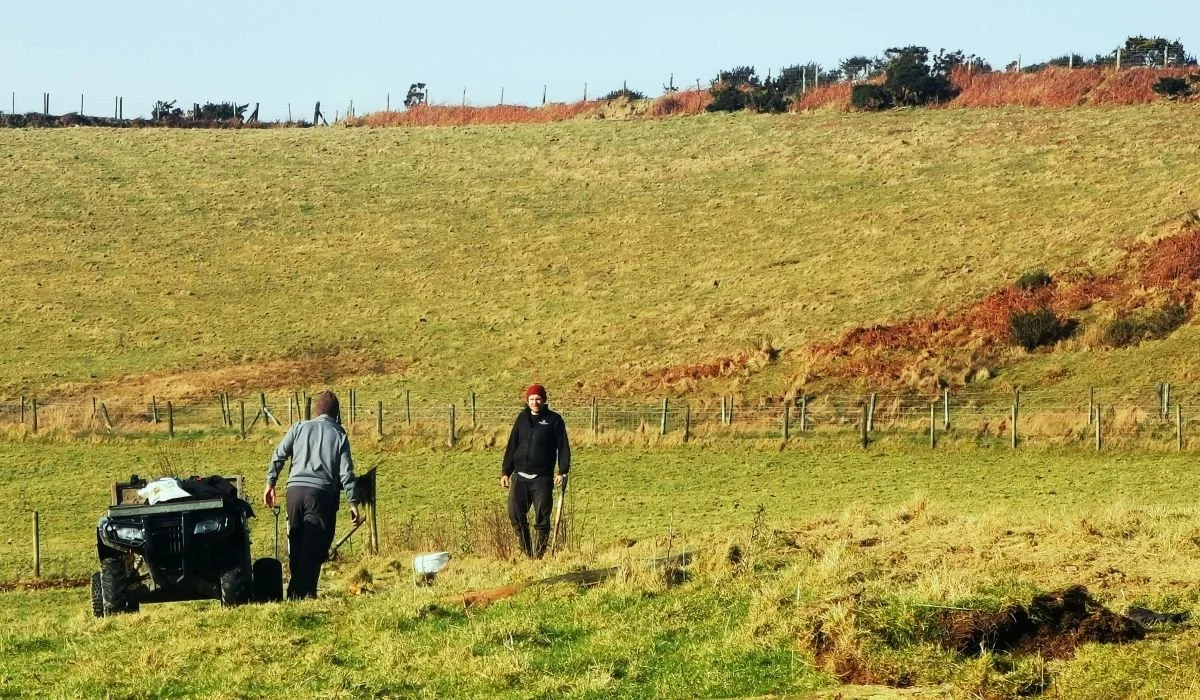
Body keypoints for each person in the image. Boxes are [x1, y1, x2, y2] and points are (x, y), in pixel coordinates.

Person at [263, 390, 362, 599]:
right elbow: (346, 472)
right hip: (320, 496)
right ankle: (296, 594)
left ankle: (306, 593)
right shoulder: (339, 435)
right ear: (336, 414)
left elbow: (279, 455)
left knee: (297, 543)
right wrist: (353, 503)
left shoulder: (298, 427)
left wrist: (270, 483)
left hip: (294, 493)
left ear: (317, 410)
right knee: (314, 548)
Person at [501, 384, 570, 558]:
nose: (535, 402)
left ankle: (538, 555)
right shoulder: (522, 419)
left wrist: (562, 471)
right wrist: (506, 472)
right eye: (531, 399)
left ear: (544, 399)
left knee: (542, 519)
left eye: (538, 398)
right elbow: (512, 445)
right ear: (527, 400)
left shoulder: (554, 420)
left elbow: (563, 447)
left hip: (542, 478)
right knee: (515, 515)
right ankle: (527, 552)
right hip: (520, 477)